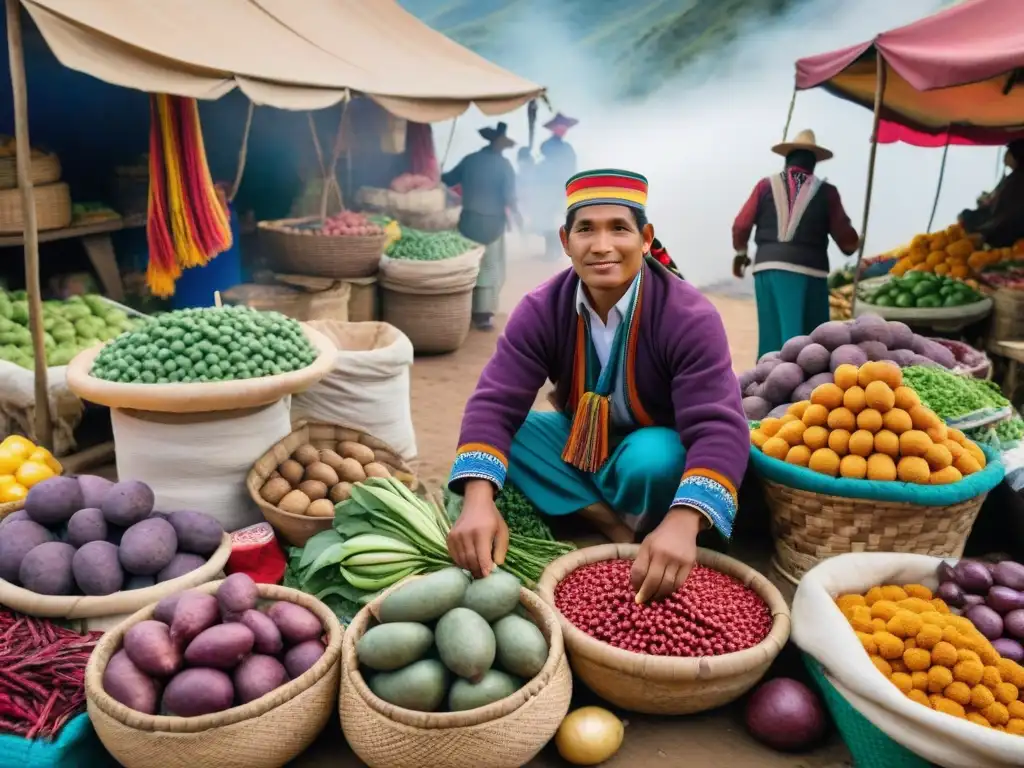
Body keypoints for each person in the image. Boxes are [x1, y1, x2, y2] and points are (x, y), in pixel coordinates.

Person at [445, 169, 748, 603]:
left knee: (658, 459)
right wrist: (477, 499)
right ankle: (612, 523)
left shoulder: (689, 316)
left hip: (648, 448)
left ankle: (655, 522)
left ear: (645, 239)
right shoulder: (541, 309)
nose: (602, 246)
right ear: (566, 242)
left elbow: (720, 427)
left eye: (619, 229)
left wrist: (684, 520)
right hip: (579, 441)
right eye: (586, 229)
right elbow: (495, 403)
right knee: (511, 438)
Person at [732, 129, 859, 360]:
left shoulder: (764, 186)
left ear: (788, 158)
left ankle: (764, 389)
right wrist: (853, 242)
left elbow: (741, 226)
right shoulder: (827, 192)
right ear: (813, 162)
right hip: (808, 272)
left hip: (767, 271)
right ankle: (799, 393)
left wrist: (741, 253)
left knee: (771, 342)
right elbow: (847, 241)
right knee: (807, 345)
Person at [442, 122, 521, 331]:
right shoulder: (504, 165)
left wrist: (438, 173)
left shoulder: (470, 160)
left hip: (468, 222)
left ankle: (463, 307)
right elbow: (510, 197)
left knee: (468, 263)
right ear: (499, 145)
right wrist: (517, 216)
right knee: (490, 266)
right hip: (492, 224)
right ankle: (483, 315)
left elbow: (448, 179)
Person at [960, 139, 1024, 248]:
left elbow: (1006, 214)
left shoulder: (1017, 180)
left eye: (1008, 150)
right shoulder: (1014, 178)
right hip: (1004, 226)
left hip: (1005, 232)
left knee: (967, 217)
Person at [539, 113, 579, 260]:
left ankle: (557, 250)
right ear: (554, 128)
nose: (562, 129)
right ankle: (551, 250)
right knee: (548, 219)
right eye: (559, 127)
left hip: (562, 188)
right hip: (548, 188)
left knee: (559, 219)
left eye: (564, 127)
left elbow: (571, 168)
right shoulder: (548, 145)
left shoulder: (567, 148)